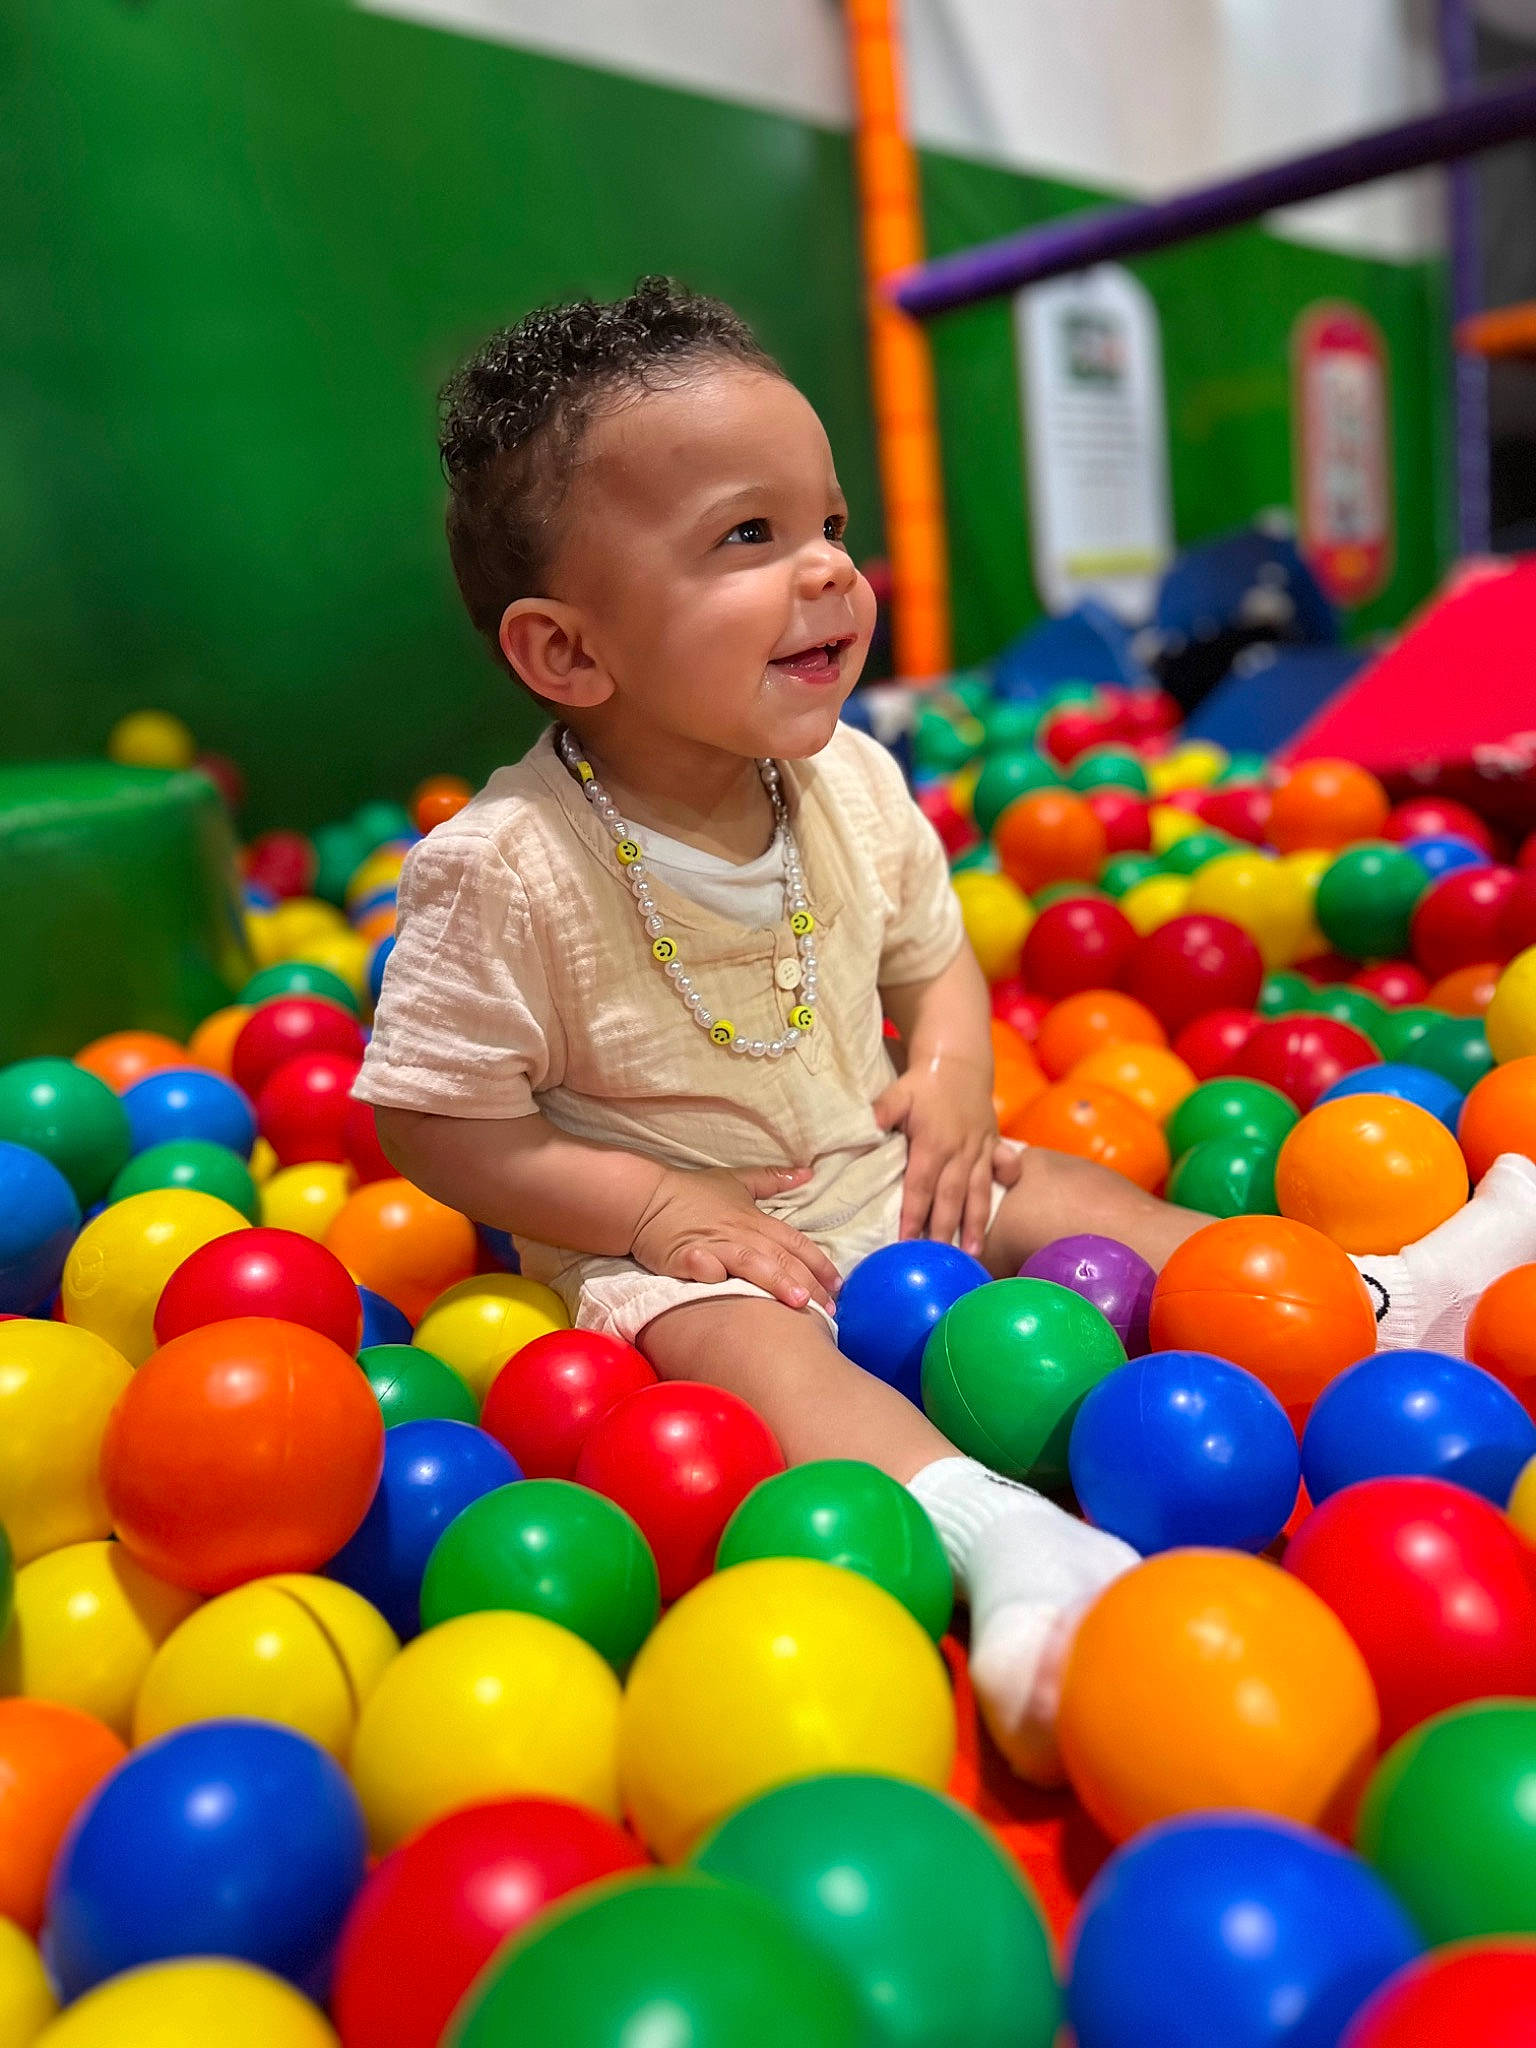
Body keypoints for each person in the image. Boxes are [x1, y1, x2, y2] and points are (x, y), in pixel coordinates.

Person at [357, 277, 1536, 1777]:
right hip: (679, 1251)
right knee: (751, 1353)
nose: (833, 575)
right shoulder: (505, 865)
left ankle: (1364, 1295)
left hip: (872, 1163)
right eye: (750, 537)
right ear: (570, 654)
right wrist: (655, 1207)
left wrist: (957, 1076)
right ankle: (1001, 1543)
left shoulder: (847, 778)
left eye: (833, 526)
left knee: (1060, 1184)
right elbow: (435, 1119)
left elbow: (935, 967)